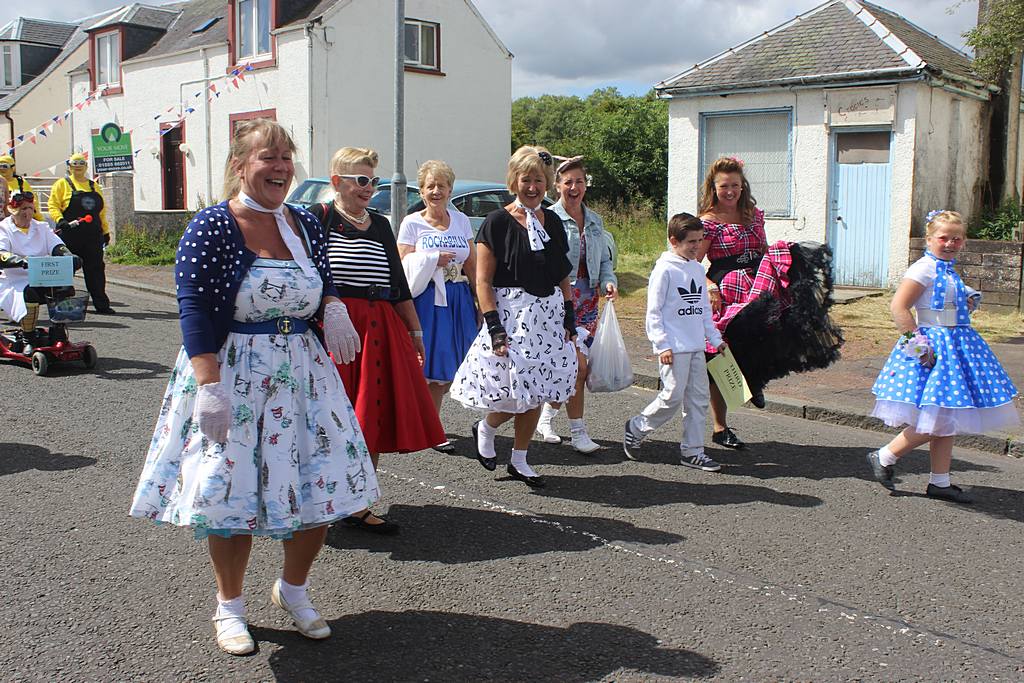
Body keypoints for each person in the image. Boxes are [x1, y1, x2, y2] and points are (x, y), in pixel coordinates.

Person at [129, 119, 380, 655]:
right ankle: (230, 607)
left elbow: (321, 274)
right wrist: (208, 385)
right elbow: (194, 306)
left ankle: (293, 590)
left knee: (322, 483)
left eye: (287, 157)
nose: (282, 167)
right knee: (230, 492)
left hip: (305, 374)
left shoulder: (305, 224)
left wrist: (331, 305)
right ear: (241, 165)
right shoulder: (213, 226)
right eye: (269, 157)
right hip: (235, 371)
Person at [313, 146, 445, 535]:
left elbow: (398, 284)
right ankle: (319, 498)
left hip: (379, 328)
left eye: (373, 180)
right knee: (330, 418)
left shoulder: (383, 225)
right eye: (360, 180)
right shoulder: (316, 219)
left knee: (371, 414)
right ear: (337, 182)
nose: (369, 187)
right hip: (335, 329)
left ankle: (357, 501)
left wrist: (415, 331)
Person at [866, 210, 1019, 503]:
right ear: (929, 239)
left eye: (957, 239)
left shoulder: (947, 269)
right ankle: (884, 456)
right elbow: (899, 307)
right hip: (934, 347)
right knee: (939, 418)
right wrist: (918, 346)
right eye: (943, 238)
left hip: (957, 344)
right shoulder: (922, 268)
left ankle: (940, 481)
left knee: (948, 414)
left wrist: (966, 300)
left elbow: (945, 303)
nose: (950, 243)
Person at [450, 145, 578, 487]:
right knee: (513, 392)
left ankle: (520, 460)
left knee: (538, 390)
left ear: (547, 182)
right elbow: (483, 281)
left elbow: (562, 273)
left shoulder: (552, 220)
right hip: (512, 317)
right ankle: (488, 427)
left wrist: (569, 314)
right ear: (514, 181)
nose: (533, 186)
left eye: (539, 179)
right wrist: (494, 327)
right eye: (526, 179)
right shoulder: (496, 222)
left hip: (548, 316)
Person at [697, 156, 842, 450]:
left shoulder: (753, 214)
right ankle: (720, 426)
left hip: (758, 284)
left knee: (774, 335)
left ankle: (752, 380)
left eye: (735, 185)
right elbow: (694, 263)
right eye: (724, 186)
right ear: (713, 187)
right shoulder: (707, 223)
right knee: (721, 355)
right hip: (727, 287)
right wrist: (709, 287)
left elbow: (764, 251)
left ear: (742, 186)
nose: (730, 191)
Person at [623, 213, 725, 469]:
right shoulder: (664, 269)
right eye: (691, 241)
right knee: (671, 397)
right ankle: (636, 427)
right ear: (673, 240)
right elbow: (654, 312)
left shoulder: (695, 268)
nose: (697, 246)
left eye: (700, 241)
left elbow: (702, 309)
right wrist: (662, 345)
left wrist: (715, 338)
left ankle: (692, 450)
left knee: (698, 399)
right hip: (674, 349)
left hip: (696, 347)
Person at [535, 156, 617, 453]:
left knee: (572, 367)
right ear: (556, 185)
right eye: (567, 182)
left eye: (579, 181)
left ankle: (546, 417)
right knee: (576, 367)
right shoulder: (549, 218)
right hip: (560, 301)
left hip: (589, 301)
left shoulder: (595, 219)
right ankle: (578, 432)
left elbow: (605, 260)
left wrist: (610, 282)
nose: (574, 187)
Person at [397, 160, 478, 454]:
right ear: (421, 191)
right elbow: (402, 264)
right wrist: (431, 259)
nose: (435, 191)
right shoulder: (411, 223)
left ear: (450, 190)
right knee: (432, 365)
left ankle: (427, 420)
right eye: (430, 186)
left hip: (457, 298)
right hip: (428, 300)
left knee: (455, 365)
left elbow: (472, 262)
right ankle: (432, 427)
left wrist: (480, 299)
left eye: (441, 186)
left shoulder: (461, 221)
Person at [0, 190, 78, 352]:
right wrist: (21, 261)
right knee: (30, 293)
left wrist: (69, 256)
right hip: (15, 280)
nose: (27, 214)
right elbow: (2, 253)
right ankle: (28, 336)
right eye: (23, 210)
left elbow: (56, 245)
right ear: (14, 211)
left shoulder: (41, 227)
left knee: (63, 289)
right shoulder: (4, 229)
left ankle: (58, 332)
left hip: (44, 275)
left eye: (30, 208)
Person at [48, 153, 115, 314]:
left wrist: (105, 231)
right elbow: (53, 205)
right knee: (65, 270)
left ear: (86, 166)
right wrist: (60, 220)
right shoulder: (61, 184)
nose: (78, 166)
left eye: (81, 163)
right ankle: (61, 304)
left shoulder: (94, 186)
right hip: (70, 236)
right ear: (69, 166)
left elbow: (101, 212)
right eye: (74, 163)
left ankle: (101, 304)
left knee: (96, 270)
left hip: (93, 237)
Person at [0, 154, 44, 221]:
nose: (1, 169)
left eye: (5, 166)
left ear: (13, 168)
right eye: (0, 166)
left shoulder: (21, 182)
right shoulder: (2, 183)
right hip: (4, 219)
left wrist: (39, 218)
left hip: (21, 219)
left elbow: (33, 201)